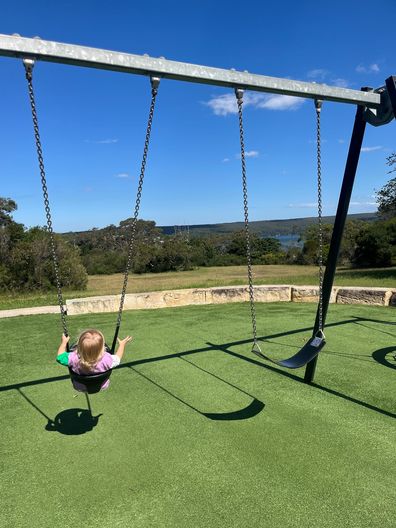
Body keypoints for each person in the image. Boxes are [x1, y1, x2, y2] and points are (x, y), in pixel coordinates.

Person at [56, 329, 132, 392]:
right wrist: (122, 344)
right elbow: (118, 358)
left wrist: (64, 342)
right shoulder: (107, 359)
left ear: (78, 346)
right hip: (102, 385)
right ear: (102, 348)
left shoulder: (73, 358)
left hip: (79, 386)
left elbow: (59, 357)